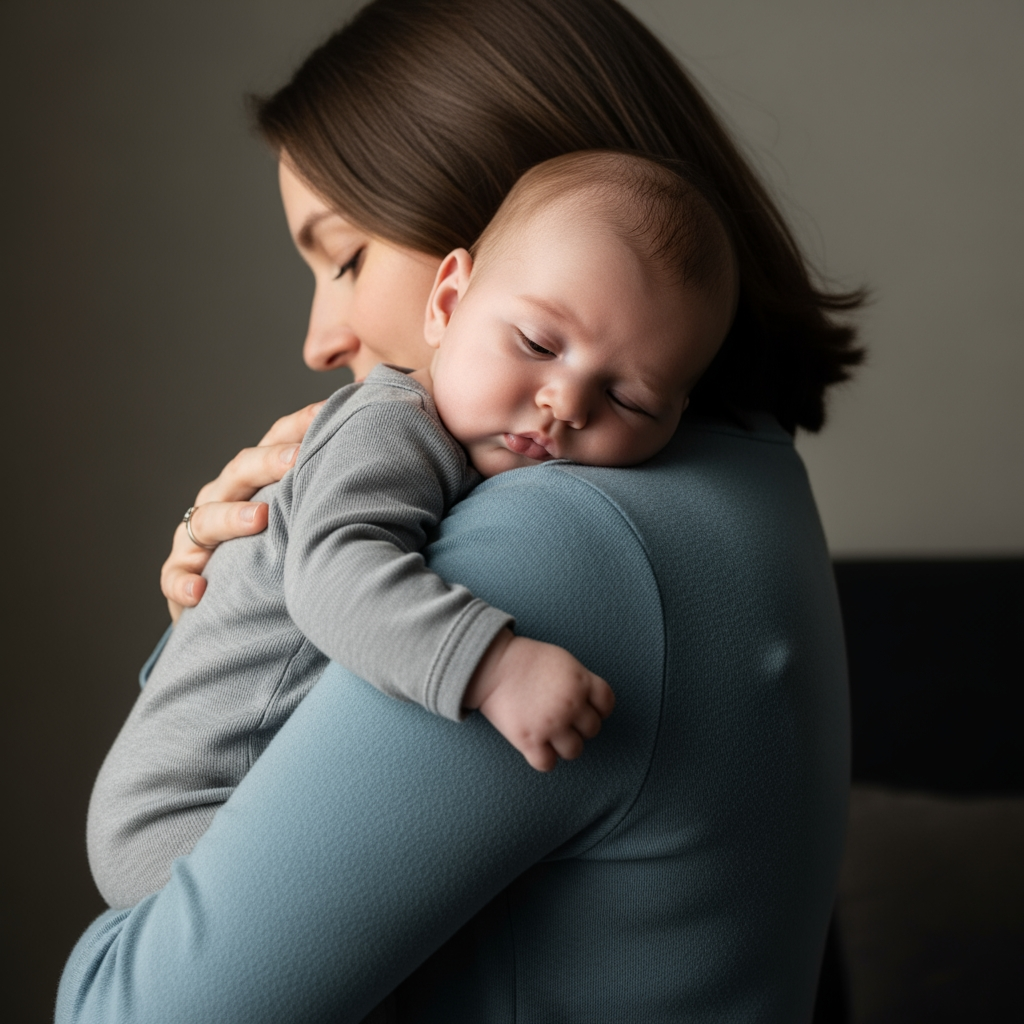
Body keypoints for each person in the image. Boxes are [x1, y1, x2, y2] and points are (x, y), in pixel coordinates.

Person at [58, 1, 862, 1020]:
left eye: (344, 256)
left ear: (478, 241)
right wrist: (237, 617)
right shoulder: (737, 479)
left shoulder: (559, 550)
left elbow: (139, 1009)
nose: (320, 336)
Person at [86, 150, 738, 911]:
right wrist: (493, 667)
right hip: (188, 807)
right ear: (449, 303)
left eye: (628, 398)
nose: (564, 402)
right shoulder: (392, 428)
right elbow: (334, 578)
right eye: (535, 343)